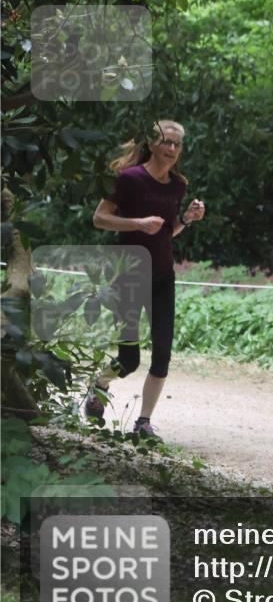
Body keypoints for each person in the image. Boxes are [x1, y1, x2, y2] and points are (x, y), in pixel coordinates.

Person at [84, 120, 206, 436]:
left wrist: (186, 219)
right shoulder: (130, 179)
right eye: (167, 142)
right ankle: (99, 385)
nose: (172, 149)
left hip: (163, 276)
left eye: (177, 144)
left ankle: (143, 423)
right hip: (128, 276)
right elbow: (99, 218)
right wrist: (138, 223)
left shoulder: (178, 185)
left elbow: (166, 231)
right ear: (152, 144)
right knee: (129, 359)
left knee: (162, 354)